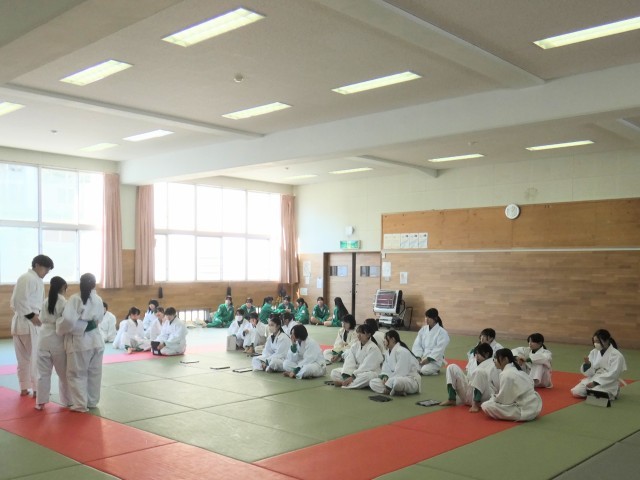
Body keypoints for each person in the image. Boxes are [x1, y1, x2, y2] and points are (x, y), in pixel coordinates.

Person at [11, 254, 54, 397]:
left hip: (23, 323)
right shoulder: (27, 278)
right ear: (37, 265)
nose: (47, 272)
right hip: (29, 322)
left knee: (23, 358)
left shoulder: (34, 279)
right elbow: (18, 300)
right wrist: (32, 316)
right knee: (35, 357)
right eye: (46, 269)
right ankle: (37, 389)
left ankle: (24, 387)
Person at [60, 273, 104, 413]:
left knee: (77, 373)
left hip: (80, 340)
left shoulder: (75, 298)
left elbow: (68, 320)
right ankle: (92, 401)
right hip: (96, 340)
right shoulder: (98, 299)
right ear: (94, 284)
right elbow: (99, 319)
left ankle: (80, 404)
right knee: (94, 373)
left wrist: (60, 329)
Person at [35, 276, 70, 410]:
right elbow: (66, 321)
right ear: (63, 287)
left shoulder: (45, 301)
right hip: (57, 339)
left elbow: (41, 318)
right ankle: (67, 401)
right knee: (63, 374)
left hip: (43, 338)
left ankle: (40, 402)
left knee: (43, 374)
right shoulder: (63, 302)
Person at [481, 348, 542, 422]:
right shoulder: (516, 370)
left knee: (487, 406)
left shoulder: (506, 374)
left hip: (525, 410)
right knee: (491, 401)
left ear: (505, 359)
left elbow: (504, 400)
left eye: (496, 358)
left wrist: (493, 398)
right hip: (534, 406)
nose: (494, 361)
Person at [439, 343, 499, 412]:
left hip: (484, 397)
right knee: (451, 367)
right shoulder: (475, 362)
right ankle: (451, 399)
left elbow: (497, 386)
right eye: (476, 354)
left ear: (487, 354)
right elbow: (469, 377)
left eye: (479, 354)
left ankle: (475, 404)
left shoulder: (494, 365)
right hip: (469, 393)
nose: (476, 356)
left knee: (479, 372)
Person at [571, 329, 627, 400]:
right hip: (594, 377)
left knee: (596, 394)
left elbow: (614, 374)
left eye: (598, 341)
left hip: (608, 382)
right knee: (576, 391)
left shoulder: (617, 355)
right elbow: (590, 372)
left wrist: (595, 383)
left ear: (607, 340)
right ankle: (593, 392)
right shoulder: (594, 352)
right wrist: (587, 365)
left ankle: (613, 392)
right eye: (594, 341)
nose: (596, 344)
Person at [370, 329, 421, 396]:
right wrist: (385, 376)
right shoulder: (387, 353)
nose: (384, 341)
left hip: (409, 379)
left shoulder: (402, 351)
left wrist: (389, 381)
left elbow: (401, 372)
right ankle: (394, 391)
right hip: (392, 378)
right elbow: (385, 369)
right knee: (372, 382)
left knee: (397, 382)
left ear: (393, 339)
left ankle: (391, 389)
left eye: (385, 339)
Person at [331, 323, 383, 388]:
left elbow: (366, 366)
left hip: (369, 371)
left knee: (368, 377)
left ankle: (343, 383)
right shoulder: (355, 345)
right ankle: (349, 382)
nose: (358, 335)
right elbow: (350, 360)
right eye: (358, 333)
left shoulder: (373, 348)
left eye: (361, 333)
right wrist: (347, 374)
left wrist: (353, 376)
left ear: (368, 335)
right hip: (356, 370)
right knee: (334, 372)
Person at [412, 308, 450, 376]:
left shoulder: (442, 332)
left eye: (429, 317)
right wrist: (418, 357)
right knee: (413, 368)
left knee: (424, 370)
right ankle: (426, 367)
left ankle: (436, 370)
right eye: (426, 317)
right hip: (423, 358)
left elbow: (439, 349)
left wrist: (428, 359)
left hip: (434, 360)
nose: (427, 319)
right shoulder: (423, 329)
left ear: (435, 318)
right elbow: (417, 344)